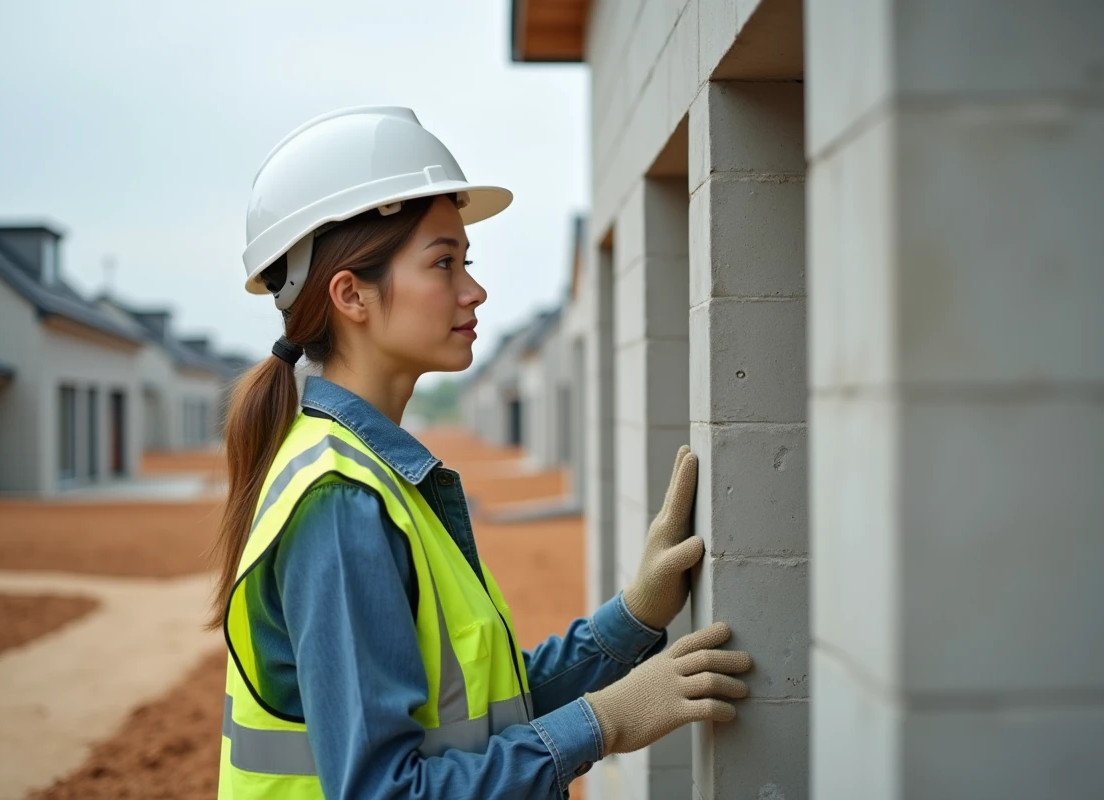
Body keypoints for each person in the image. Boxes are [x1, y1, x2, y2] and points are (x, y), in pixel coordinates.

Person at [209, 106, 753, 800]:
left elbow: (479, 705)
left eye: (467, 261)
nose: (475, 290)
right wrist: (605, 723)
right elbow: (389, 790)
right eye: (444, 263)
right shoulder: (340, 502)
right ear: (351, 294)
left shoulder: (374, 476)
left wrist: (631, 620)